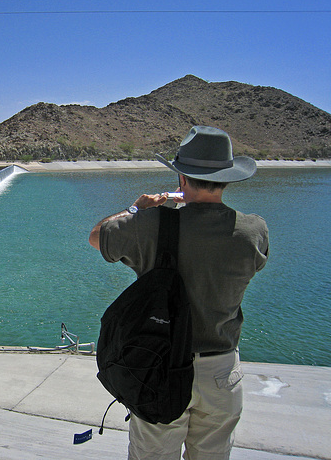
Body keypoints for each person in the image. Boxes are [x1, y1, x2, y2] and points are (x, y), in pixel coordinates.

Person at [89, 126, 269, 460]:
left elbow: (97, 237)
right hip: (221, 374)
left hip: (159, 368)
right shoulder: (253, 231)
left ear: (182, 179)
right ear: (227, 178)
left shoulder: (151, 225)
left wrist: (136, 210)